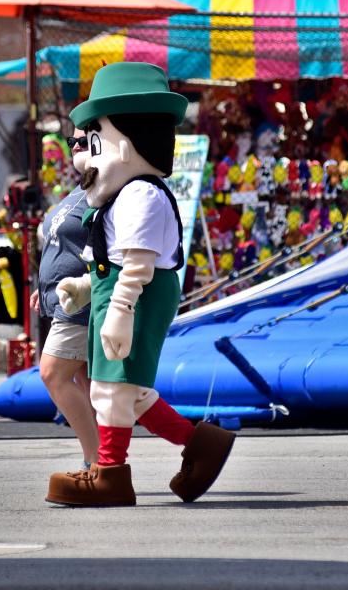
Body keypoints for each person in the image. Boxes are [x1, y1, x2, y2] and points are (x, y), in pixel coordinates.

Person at [47, 63, 236, 507]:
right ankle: (200, 445)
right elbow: (111, 260)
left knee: (113, 388)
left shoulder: (141, 195)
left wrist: (120, 309)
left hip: (136, 296)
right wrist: (82, 286)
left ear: (125, 144)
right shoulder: (121, 195)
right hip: (116, 294)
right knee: (126, 391)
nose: (83, 158)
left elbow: (137, 264)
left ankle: (110, 473)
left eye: (92, 143)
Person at [31, 127, 99, 470]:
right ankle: (105, 461)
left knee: (53, 374)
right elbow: (62, 247)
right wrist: (42, 289)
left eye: (83, 141)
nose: (75, 147)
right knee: (90, 387)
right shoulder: (82, 188)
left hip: (81, 302)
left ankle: (95, 460)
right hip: (63, 300)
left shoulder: (106, 189)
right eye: (72, 141)